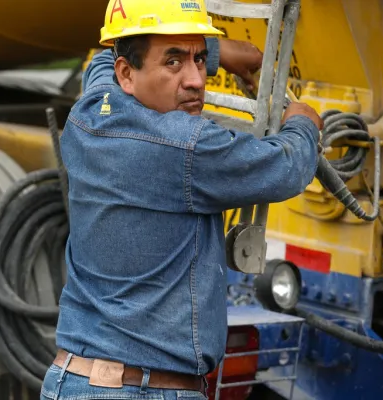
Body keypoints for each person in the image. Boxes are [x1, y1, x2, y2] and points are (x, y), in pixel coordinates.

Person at [41, 0, 323, 399]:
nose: (195, 80)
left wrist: (216, 52)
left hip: (70, 381)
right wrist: (303, 124)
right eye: (173, 62)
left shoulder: (89, 113)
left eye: (199, 60)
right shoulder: (186, 148)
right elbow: (287, 167)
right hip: (143, 391)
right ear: (127, 74)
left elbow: (103, 62)